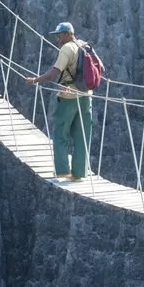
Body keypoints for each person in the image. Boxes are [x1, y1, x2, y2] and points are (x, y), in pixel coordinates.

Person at [26, 22, 95, 181]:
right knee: (82, 135)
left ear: (68, 34)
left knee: (60, 134)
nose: (58, 39)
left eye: (59, 35)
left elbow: (53, 74)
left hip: (69, 97)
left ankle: (62, 171)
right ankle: (79, 173)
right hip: (86, 97)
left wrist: (35, 80)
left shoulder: (67, 48)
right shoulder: (85, 46)